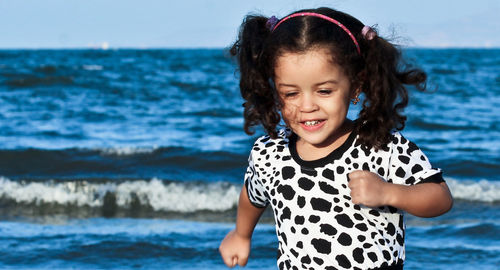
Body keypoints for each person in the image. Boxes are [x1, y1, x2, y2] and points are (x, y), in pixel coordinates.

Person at [219, 7, 453, 270]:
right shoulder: (270, 153)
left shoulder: (380, 146)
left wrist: (391, 192)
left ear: (355, 85)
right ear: (274, 91)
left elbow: (440, 197)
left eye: (324, 90)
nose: (307, 106)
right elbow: (253, 195)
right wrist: (241, 235)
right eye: (291, 93)